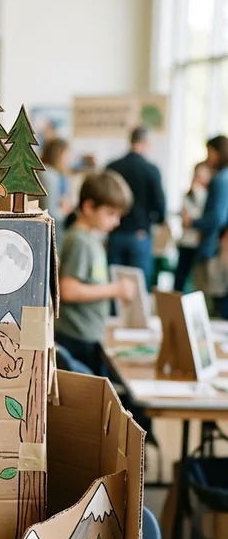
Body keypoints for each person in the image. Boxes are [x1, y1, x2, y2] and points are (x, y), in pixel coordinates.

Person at [55, 170, 136, 375]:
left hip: (87, 335)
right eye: (111, 213)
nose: (116, 221)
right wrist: (115, 289)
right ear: (89, 207)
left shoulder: (91, 239)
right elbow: (68, 290)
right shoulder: (80, 241)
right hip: (76, 337)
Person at [106, 126, 166, 288]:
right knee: (138, 286)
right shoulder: (151, 170)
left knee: (114, 283)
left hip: (115, 232)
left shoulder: (113, 167)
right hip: (139, 233)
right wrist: (157, 221)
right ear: (146, 143)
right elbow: (160, 204)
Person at [187, 135, 228, 297]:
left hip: (212, 245)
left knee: (206, 295)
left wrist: (193, 222)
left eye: (209, 152)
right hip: (218, 242)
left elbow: (217, 217)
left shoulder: (220, 180)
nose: (208, 157)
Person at [175, 161, 212, 292]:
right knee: (180, 276)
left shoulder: (210, 195)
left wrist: (192, 220)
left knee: (196, 280)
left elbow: (196, 217)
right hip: (186, 241)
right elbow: (186, 219)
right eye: (197, 174)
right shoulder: (189, 194)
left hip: (200, 242)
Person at [38, 138, 71, 246]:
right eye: (67, 155)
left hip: (55, 225)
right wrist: (64, 212)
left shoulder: (58, 174)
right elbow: (50, 210)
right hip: (50, 228)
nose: (69, 159)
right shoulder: (48, 174)